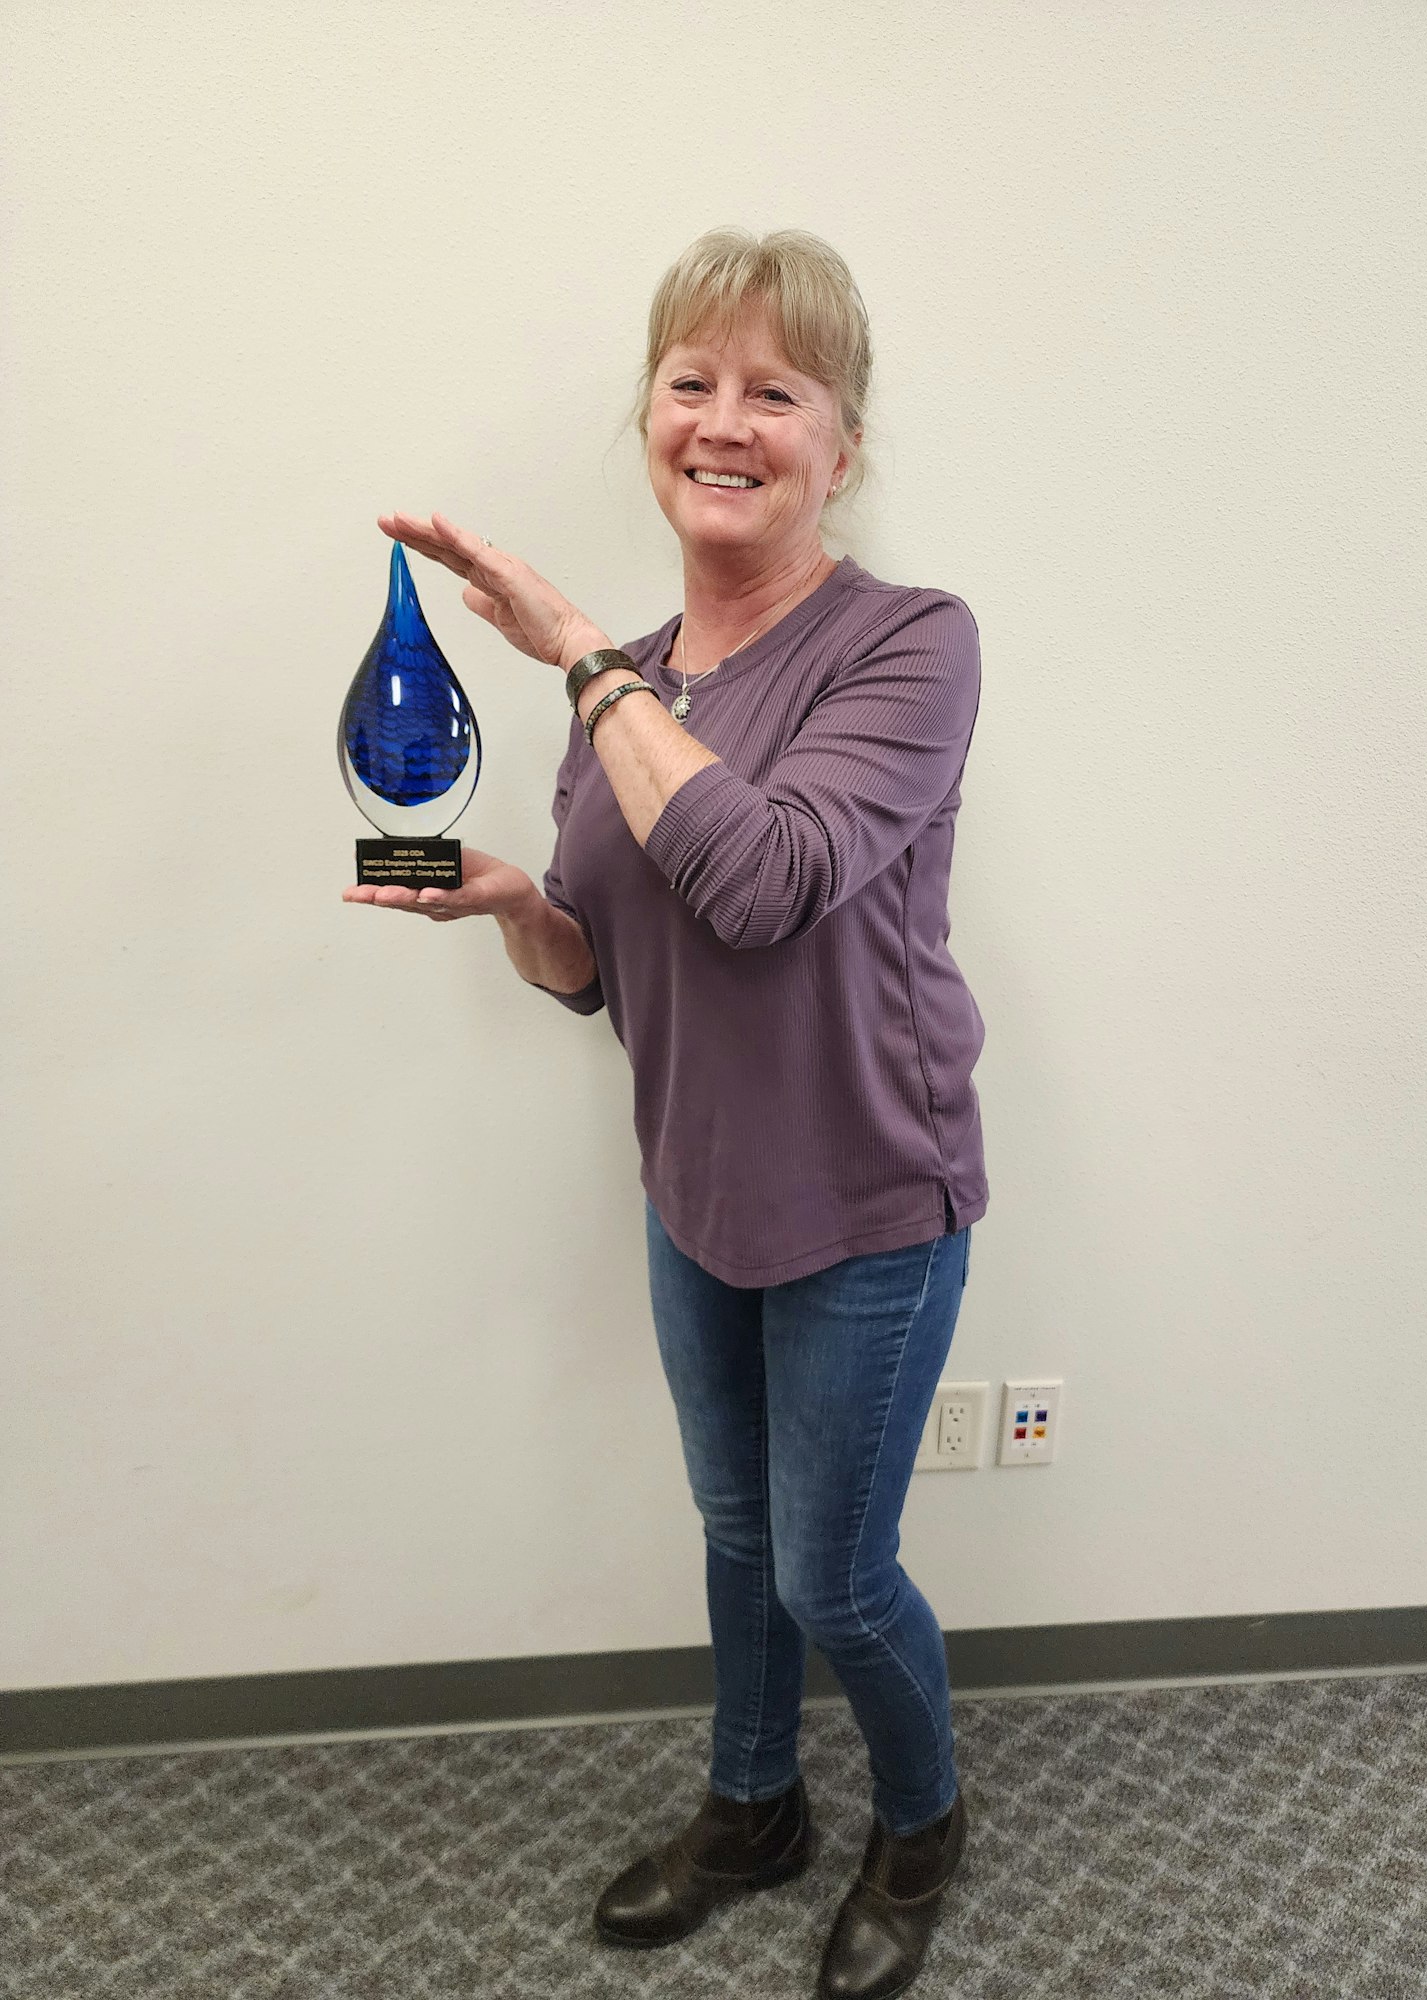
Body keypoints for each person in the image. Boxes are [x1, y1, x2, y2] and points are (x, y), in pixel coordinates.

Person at [345, 226, 987, 2000]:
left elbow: (770, 882)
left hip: (869, 1195)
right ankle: (755, 1802)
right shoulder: (620, 679)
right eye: (692, 382)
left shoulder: (909, 647)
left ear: (840, 446)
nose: (726, 420)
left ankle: (920, 1823)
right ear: (649, 417)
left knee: (838, 1577)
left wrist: (573, 653)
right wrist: (516, 912)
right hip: (693, 1186)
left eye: (775, 391)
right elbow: (607, 979)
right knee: (733, 1533)